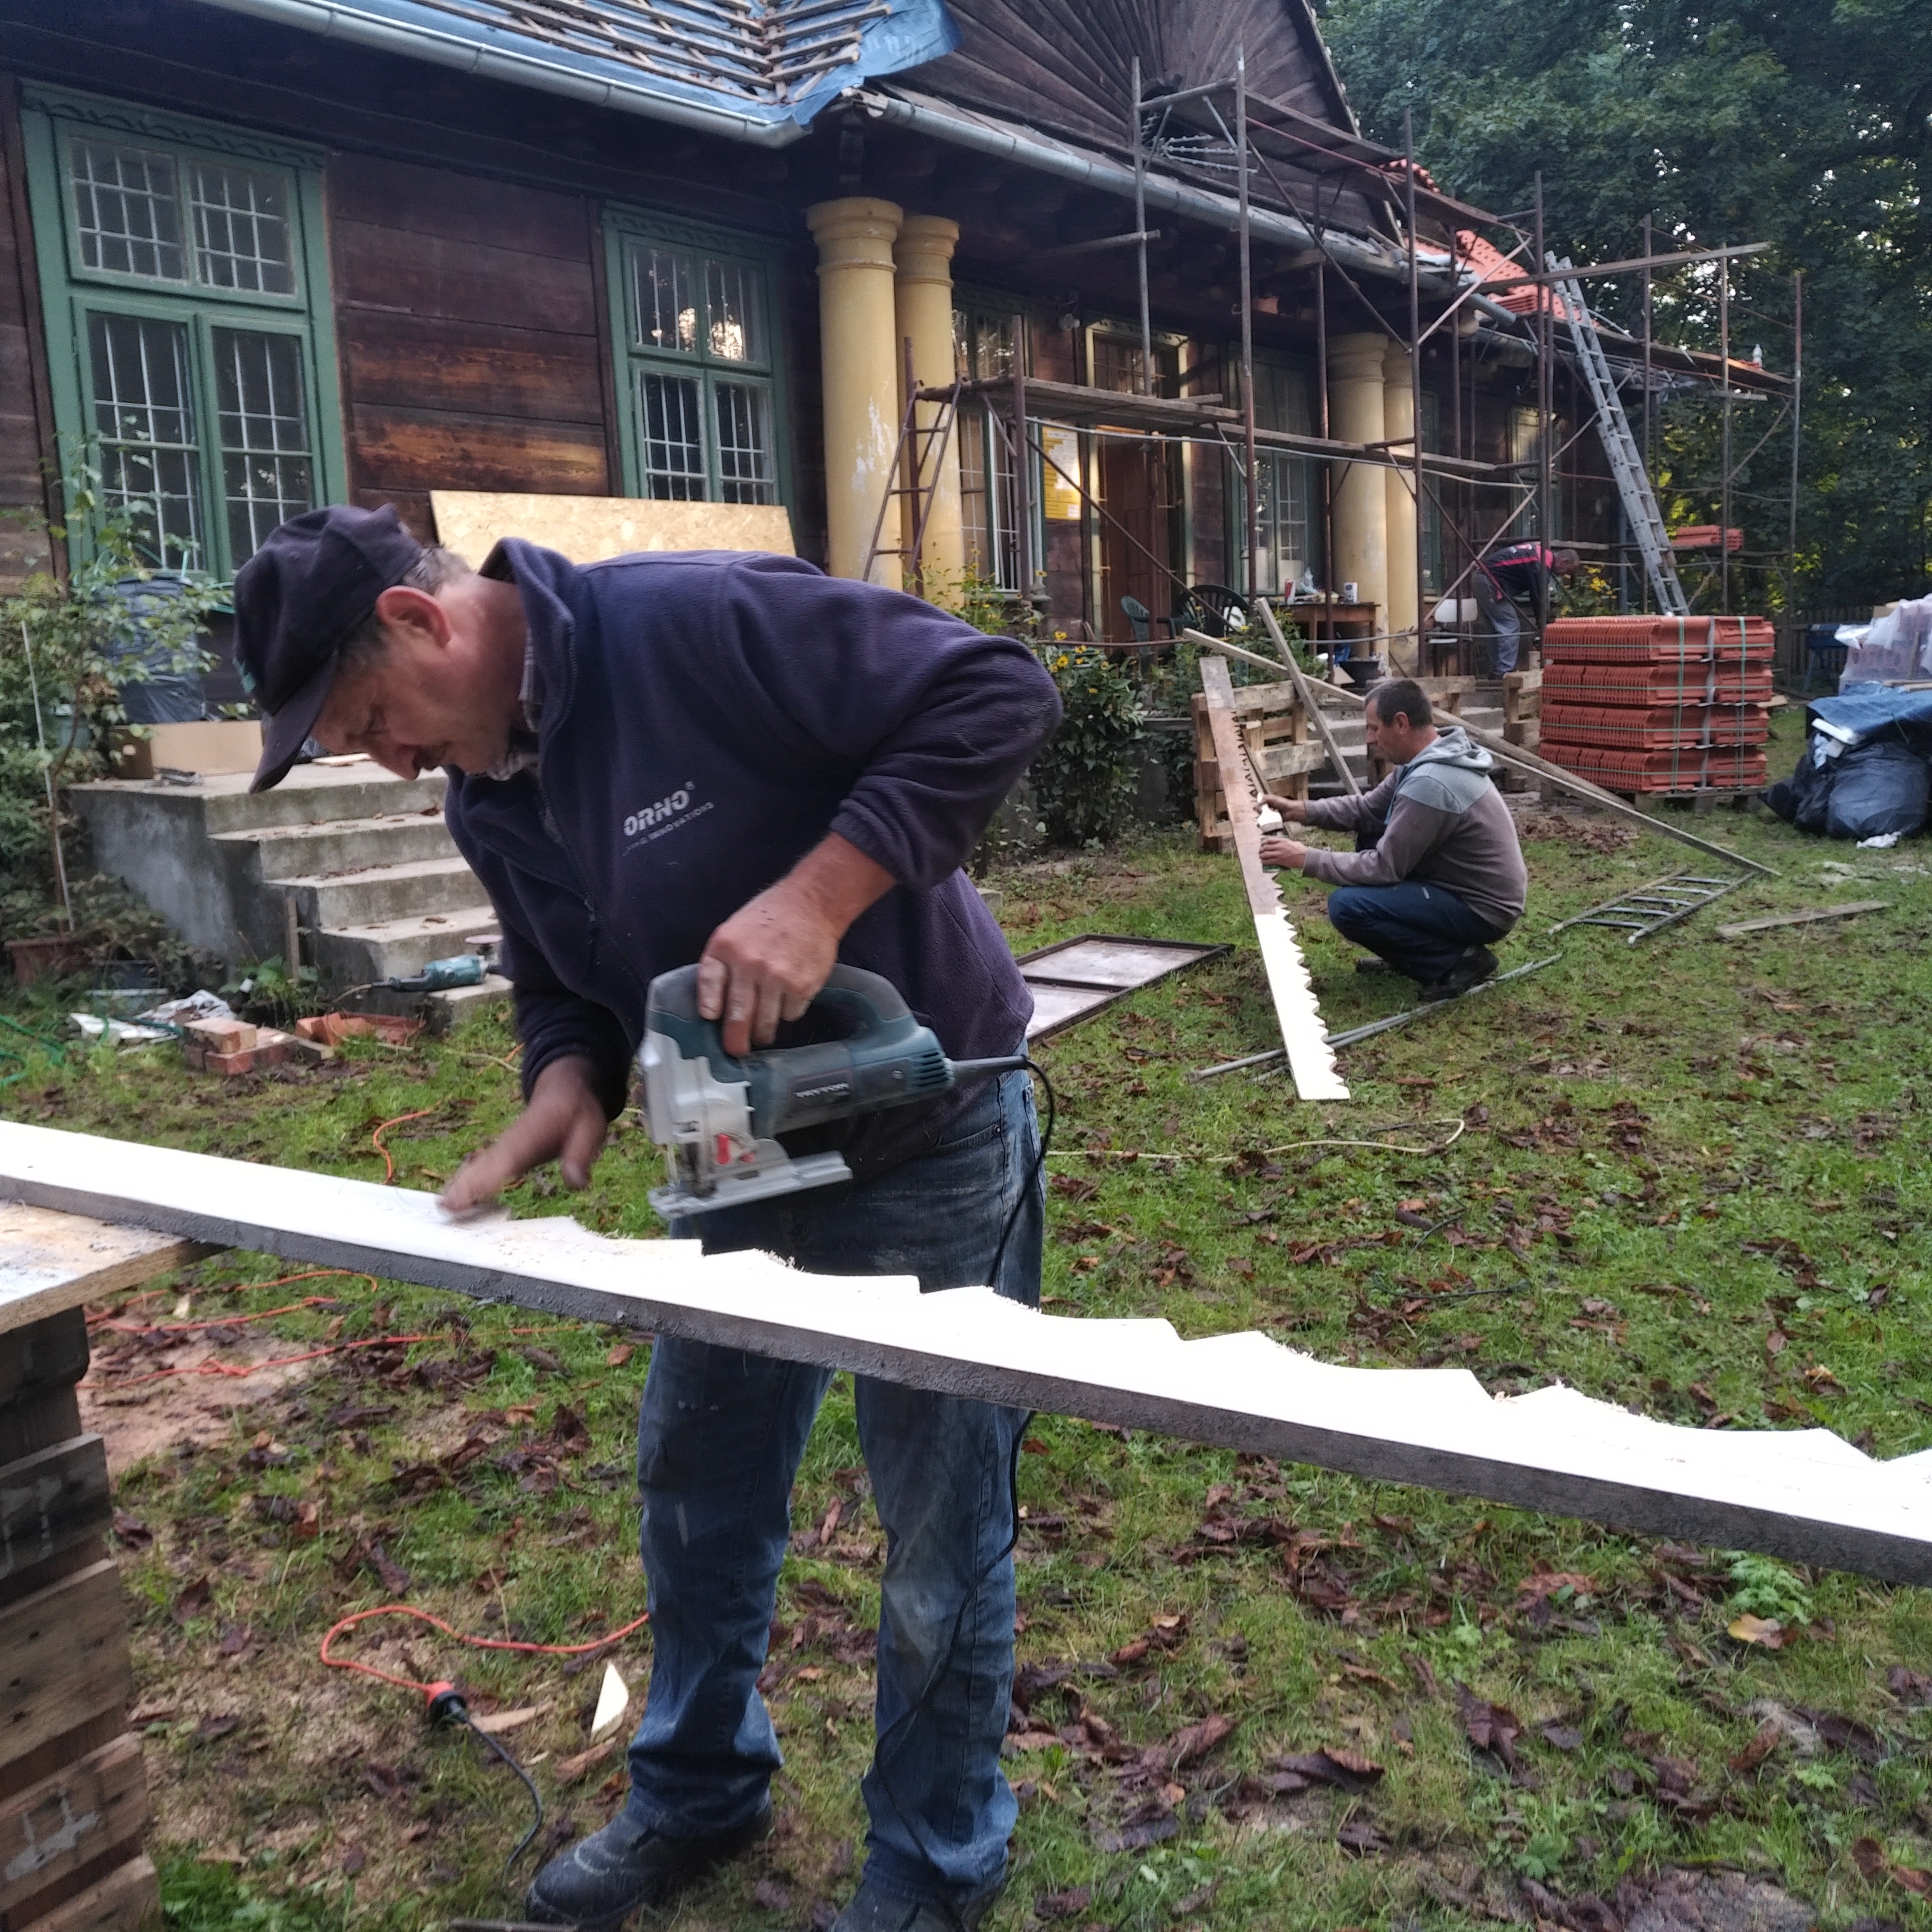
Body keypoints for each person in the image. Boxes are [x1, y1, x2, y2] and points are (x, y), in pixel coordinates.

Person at [230, 505, 1064, 1932]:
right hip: (733, 1151)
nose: (390, 761)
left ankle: (935, 1862)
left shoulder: (691, 624)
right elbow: (560, 975)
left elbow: (995, 691)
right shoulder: (488, 795)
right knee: (698, 1484)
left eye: (370, 720)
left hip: (925, 1132)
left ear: (423, 623)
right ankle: (699, 1787)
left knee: (939, 1529)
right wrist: (567, 1077)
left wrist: (818, 897)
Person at [1258, 679, 1526, 999]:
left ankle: (1457, 960)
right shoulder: (1423, 761)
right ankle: (1414, 950)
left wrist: (1306, 858)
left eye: (1374, 728)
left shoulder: (1431, 782)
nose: (1369, 739)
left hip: (1483, 909)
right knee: (1371, 834)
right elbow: (1366, 810)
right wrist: (1301, 810)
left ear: (1401, 723)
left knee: (1349, 906)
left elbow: (1384, 868)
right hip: (1457, 886)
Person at [1471, 541, 1579, 674]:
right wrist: (1544, 625)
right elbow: (1538, 597)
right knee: (1510, 625)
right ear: (1564, 561)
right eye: (1568, 570)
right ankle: (1504, 671)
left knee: (1495, 628)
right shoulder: (1540, 564)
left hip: (1483, 576)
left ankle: (1497, 670)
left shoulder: (1539, 554)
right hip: (1490, 580)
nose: (1564, 574)